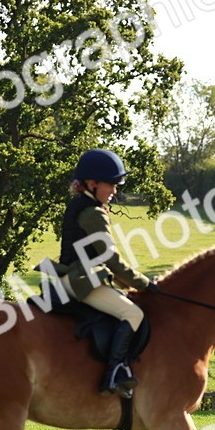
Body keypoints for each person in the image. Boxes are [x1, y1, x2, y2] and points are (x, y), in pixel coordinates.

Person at [56, 148, 157, 397]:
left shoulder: (79, 204)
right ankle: (113, 374)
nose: (114, 191)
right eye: (111, 185)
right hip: (81, 281)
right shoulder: (94, 213)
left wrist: (126, 285)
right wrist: (145, 284)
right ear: (92, 184)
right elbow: (111, 259)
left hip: (70, 275)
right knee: (132, 313)